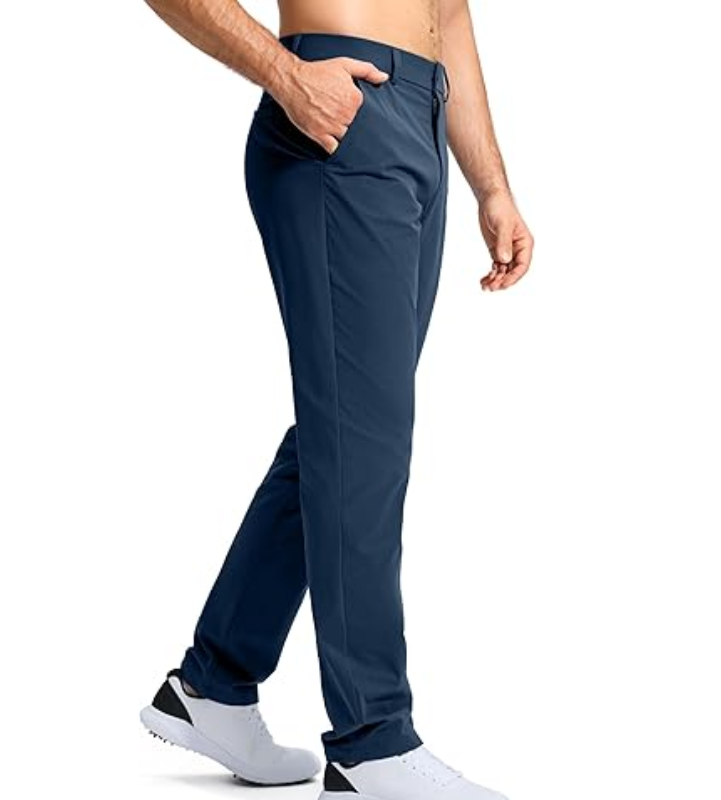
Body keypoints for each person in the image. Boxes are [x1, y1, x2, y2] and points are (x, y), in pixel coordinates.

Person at [139, 1, 534, 797]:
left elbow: (448, 12)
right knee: (363, 441)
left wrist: (491, 185)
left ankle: (213, 684)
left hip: (421, 118)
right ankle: (371, 741)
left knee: (348, 430)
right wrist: (287, 76)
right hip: (338, 112)